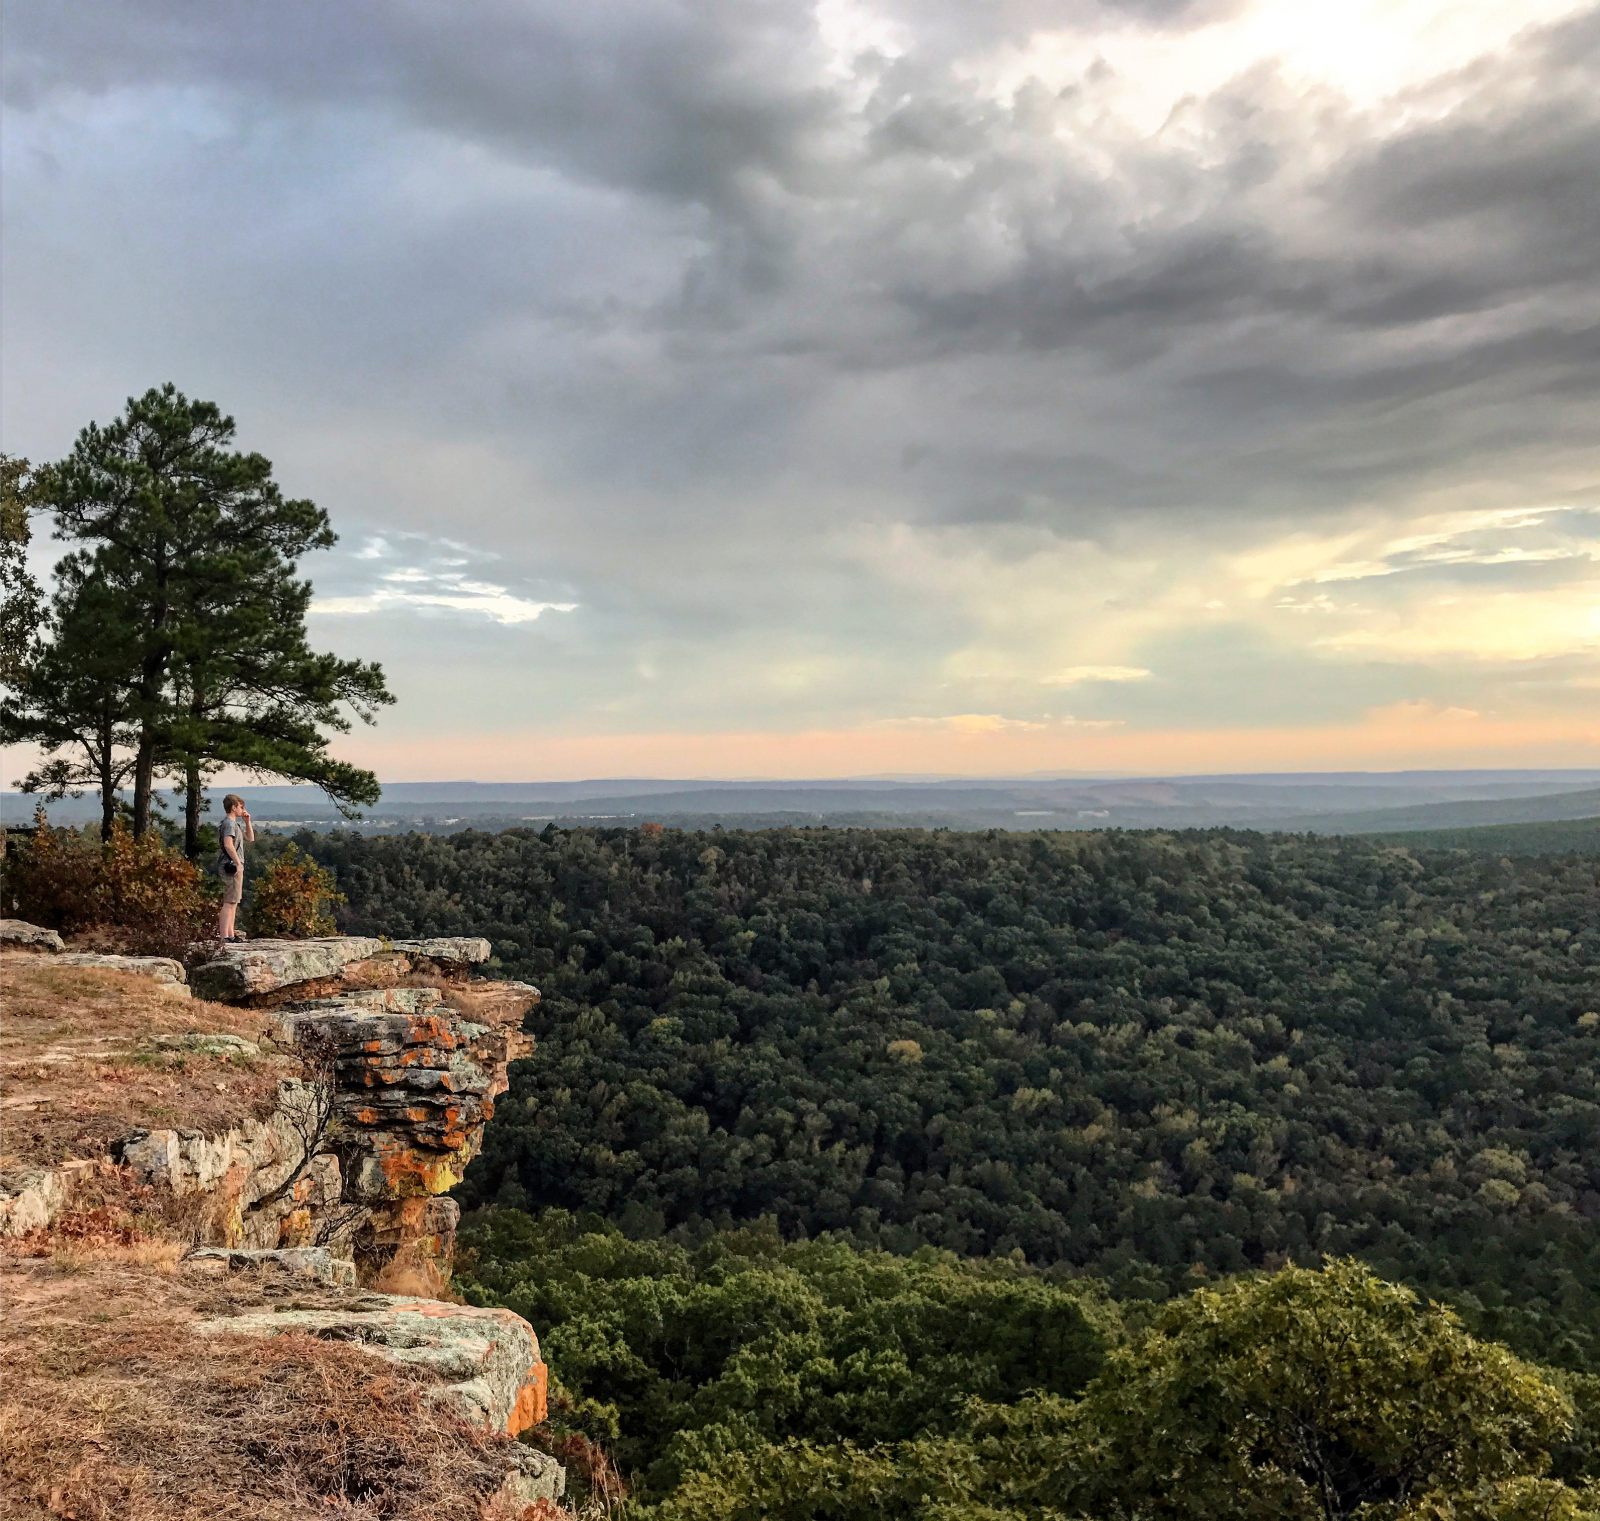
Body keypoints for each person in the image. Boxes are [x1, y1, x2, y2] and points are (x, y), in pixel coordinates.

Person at [215, 793, 255, 943]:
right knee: (229, 901)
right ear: (233, 807)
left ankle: (230, 933)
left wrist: (247, 821)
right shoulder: (229, 824)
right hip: (230, 866)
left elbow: (250, 838)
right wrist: (237, 862)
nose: (242, 809)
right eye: (240, 806)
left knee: (234, 901)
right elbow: (228, 844)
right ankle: (225, 936)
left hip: (235, 865)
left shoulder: (234, 824)